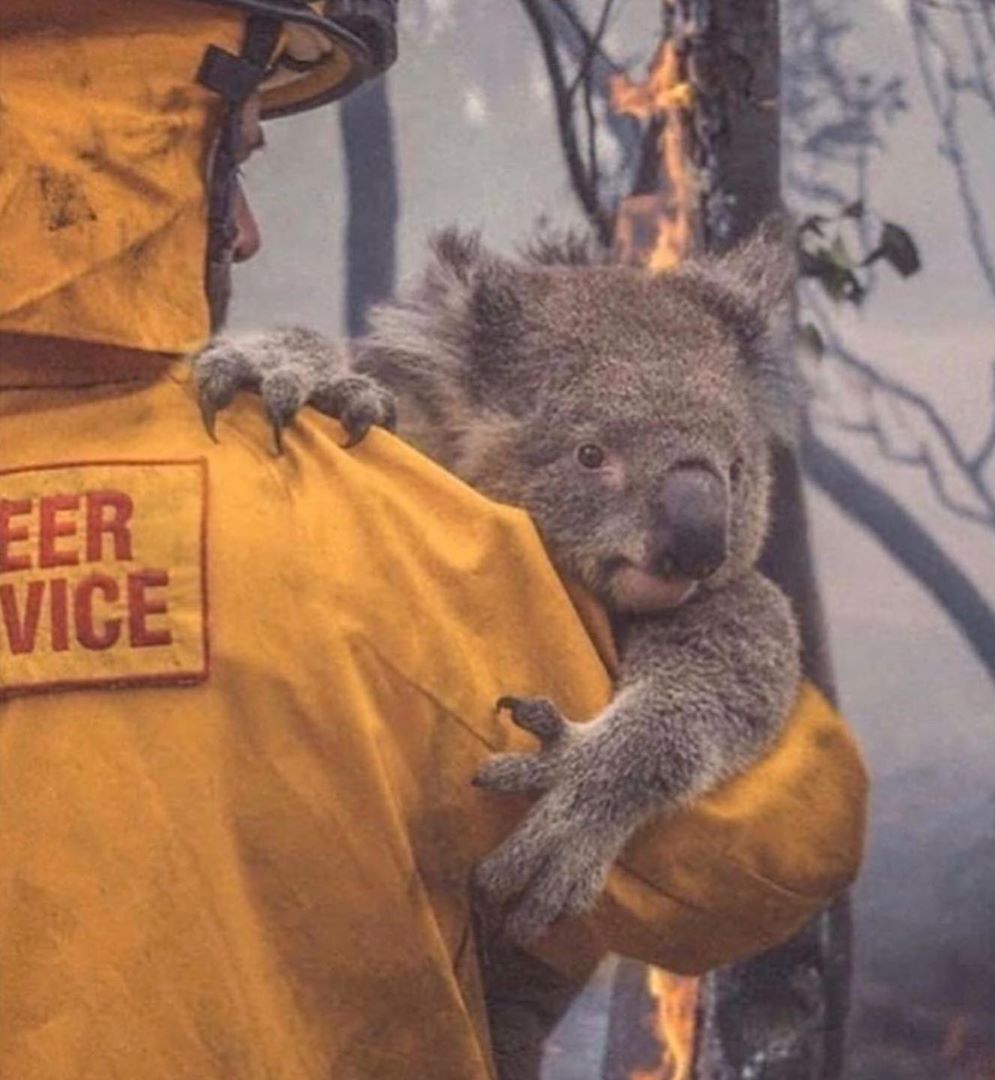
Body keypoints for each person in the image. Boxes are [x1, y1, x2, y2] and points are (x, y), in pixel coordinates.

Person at [0, 3, 869, 1078]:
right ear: (117, 150)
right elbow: (771, 856)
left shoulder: (310, 437)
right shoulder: (379, 532)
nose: (248, 232)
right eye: (223, 163)